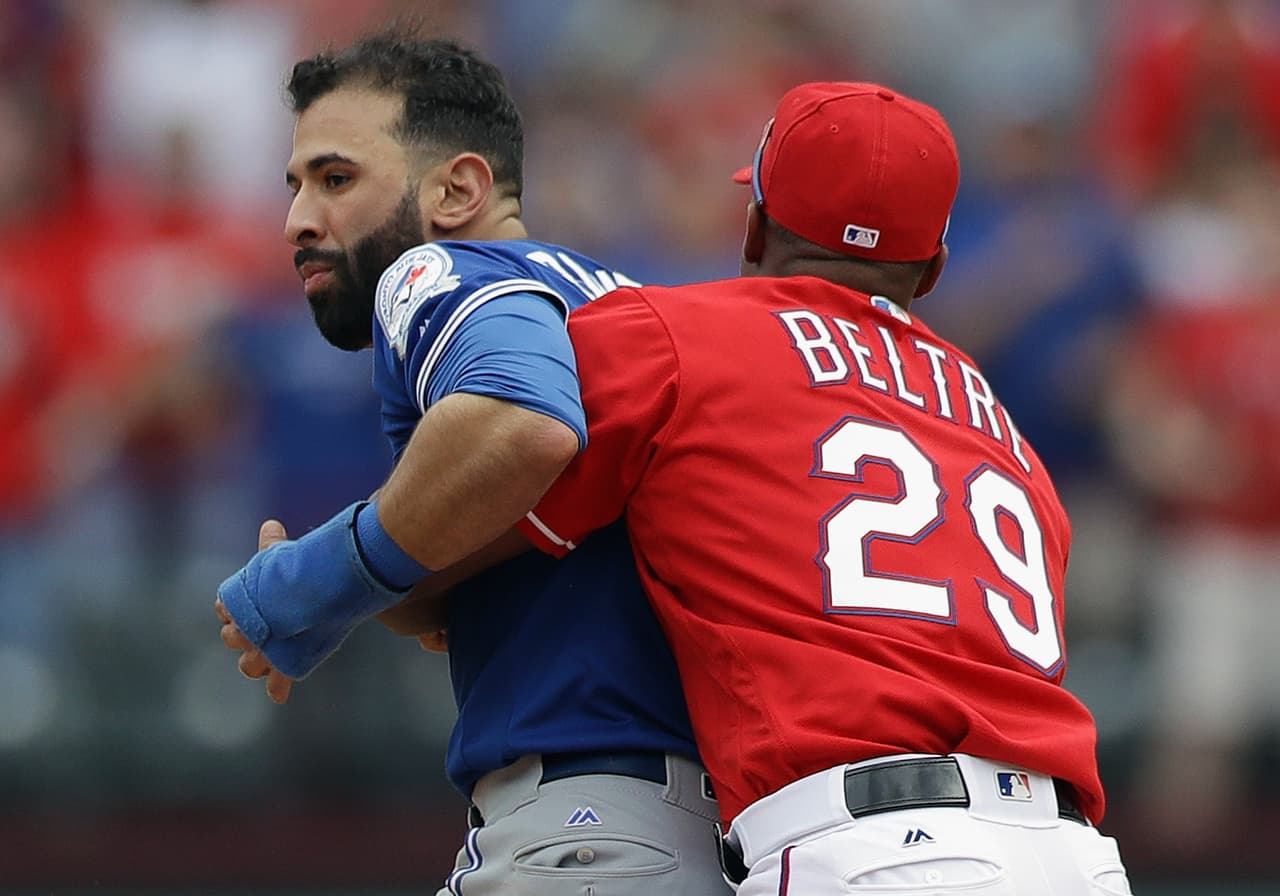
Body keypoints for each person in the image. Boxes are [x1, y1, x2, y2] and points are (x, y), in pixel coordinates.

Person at [272, 80, 1134, 894]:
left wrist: (315, 579)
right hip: (1074, 852)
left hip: (876, 845)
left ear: (756, 221)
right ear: (935, 264)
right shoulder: (996, 423)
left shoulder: (676, 334)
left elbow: (477, 506)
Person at [215, 33, 729, 896]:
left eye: (337, 180)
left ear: (458, 189)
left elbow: (522, 422)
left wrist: (316, 578)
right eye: (296, 185)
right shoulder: (629, 302)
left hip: (592, 824)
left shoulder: (437, 269)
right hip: (702, 816)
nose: (298, 219)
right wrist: (374, 580)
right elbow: (511, 564)